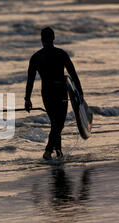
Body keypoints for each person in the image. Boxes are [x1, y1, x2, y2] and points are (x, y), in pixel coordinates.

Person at [24, 27, 84, 160]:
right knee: (58, 123)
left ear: (41, 39)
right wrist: (80, 92)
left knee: (55, 123)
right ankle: (48, 151)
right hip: (61, 91)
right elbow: (73, 74)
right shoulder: (61, 54)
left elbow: (30, 80)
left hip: (46, 93)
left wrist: (27, 99)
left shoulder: (36, 57)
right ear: (53, 38)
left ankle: (58, 151)